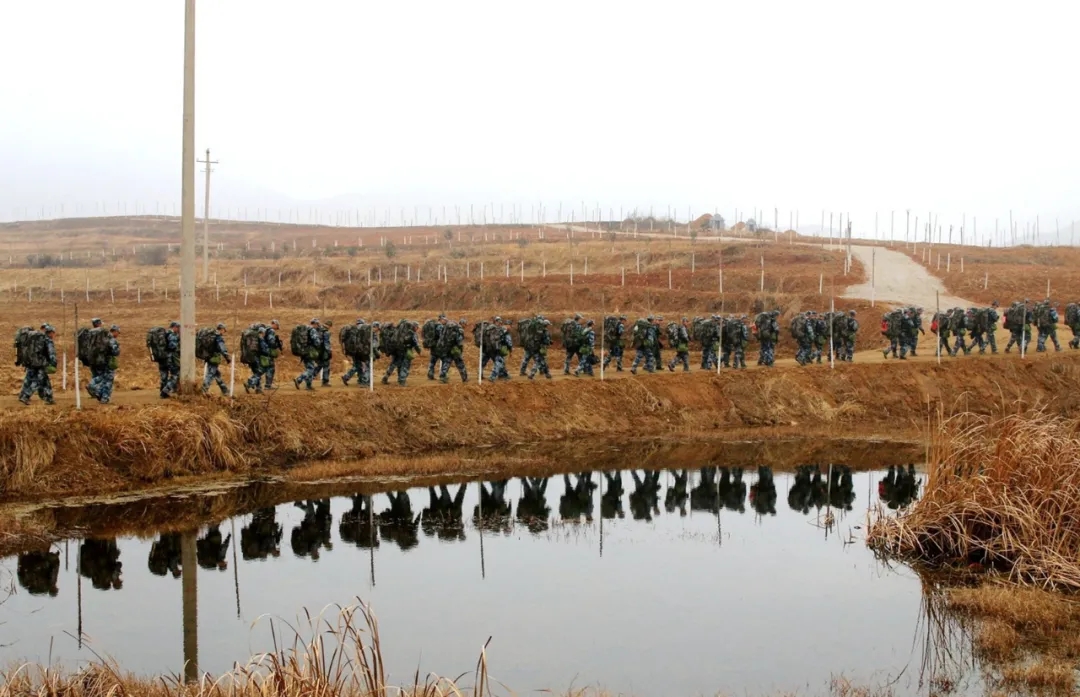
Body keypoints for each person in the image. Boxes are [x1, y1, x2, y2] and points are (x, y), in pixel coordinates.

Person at [18, 324, 57, 405]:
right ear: (50, 332)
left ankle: (49, 397)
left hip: (32, 362)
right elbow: (51, 354)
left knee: (41, 380)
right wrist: (53, 364)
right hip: (41, 364)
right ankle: (26, 396)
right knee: (38, 381)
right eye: (53, 332)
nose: (54, 334)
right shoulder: (48, 340)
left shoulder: (35, 338)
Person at [88, 324, 121, 404]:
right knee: (108, 380)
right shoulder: (112, 340)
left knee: (103, 377)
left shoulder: (103, 338)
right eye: (118, 332)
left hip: (100, 362)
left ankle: (99, 393)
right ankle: (103, 397)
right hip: (108, 363)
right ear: (115, 331)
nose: (118, 334)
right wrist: (118, 349)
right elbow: (115, 352)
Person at [202, 323, 230, 395]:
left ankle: (225, 390)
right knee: (211, 374)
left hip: (208, 357)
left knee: (217, 374)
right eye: (224, 330)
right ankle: (204, 389)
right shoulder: (218, 337)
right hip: (214, 358)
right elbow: (222, 348)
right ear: (221, 329)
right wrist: (227, 357)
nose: (224, 332)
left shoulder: (211, 335)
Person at [439, 318, 469, 383]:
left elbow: (442, 337)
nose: (465, 326)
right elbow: (459, 341)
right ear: (463, 323)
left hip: (447, 348)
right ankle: (465, 378)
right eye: (465, 324)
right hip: (455, 349)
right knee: (460, 363)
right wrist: (460, 349)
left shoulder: (447, 327)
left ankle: (442, 377)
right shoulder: (460, 329)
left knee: (447, 362)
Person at [294, 318, 321, 390]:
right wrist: (318, 345)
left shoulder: (305, 329)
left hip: (303, 351)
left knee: (309, 368)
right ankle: (299, 379)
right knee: (311, 369)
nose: (318, 326)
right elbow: (316, 341)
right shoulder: (312, 330)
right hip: (309, 351)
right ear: (315, 324)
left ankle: (308, 386)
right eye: (317, 324)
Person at [243, 325, 270, 394]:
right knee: (259, 372)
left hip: (250, 358)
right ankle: (249, 384)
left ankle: (258, 389)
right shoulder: (260, 339)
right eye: (264, 333)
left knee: (256, 373)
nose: (264, 334)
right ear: (262, 332)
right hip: (256, 359)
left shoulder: (253, 338)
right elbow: (264, 350)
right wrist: (268, 352)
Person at [158, 321, 181, 398]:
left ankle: (163, 390)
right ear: (174, 327)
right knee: (175, 375)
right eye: (178, 327)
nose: (179, 329)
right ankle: (165, 392)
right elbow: (173, 346)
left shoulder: (164, 334)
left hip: (162, 358)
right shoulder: (172, 335)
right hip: (170, 358)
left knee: (164, 376)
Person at [264, 319, 283, 389]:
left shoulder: (265, 329)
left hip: (263, 351)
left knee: (263, 368)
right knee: (271, 368)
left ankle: (251, 383)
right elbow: (271, 342)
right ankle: (268, 385)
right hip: (268, 352)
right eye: (277, 326)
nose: (276, 328)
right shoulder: (271, 331)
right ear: (275, 324)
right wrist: (277, 345)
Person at [317, 319, 333, 386]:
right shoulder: (326, 332)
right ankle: (325, 382)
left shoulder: (319, 330)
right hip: (324, 352)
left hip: (318, 351)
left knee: (319, 366)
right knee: (326, 366)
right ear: (329, 326)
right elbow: (326, 344)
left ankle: (308, 377)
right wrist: (329, 351)